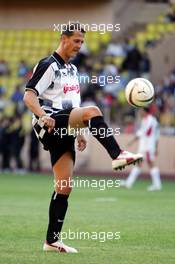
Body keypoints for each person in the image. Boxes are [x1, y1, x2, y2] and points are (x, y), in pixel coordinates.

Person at [23, 22, 143, 253]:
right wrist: (42, 116)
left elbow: (73, 106)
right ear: (64, 39)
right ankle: (118, 155)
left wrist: (79, 131)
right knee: (94, 111)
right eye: (76, 41)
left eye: (82, 42)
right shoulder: (48, 65)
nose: (79, 46)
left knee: (65, 186)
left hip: (65, 125)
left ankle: (51, 241)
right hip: (49, 122)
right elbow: (29, 97)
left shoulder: (73, 70)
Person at [121, 107, 162, 191]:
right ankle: (129, 183)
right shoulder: (145, 120)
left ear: (144, 111)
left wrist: (132, 141)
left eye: (141, 111)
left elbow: (146, 132)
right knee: (139, 163)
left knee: (151, 164)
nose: (139, 112)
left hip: (148, 146)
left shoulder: (151, 120)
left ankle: (157, 185)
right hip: (144, 146)